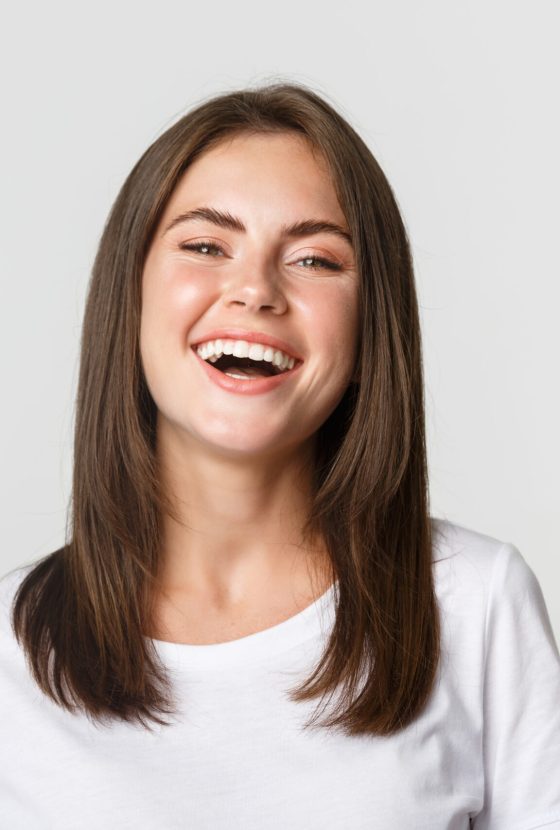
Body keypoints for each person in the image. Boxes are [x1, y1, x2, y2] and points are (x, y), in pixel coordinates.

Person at [1, 82, 559, 829]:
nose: (255, 290)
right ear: (127, 300)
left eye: (315, 260)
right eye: (205, 246)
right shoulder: (6, 646)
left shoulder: (477, 605)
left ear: (369, 337)